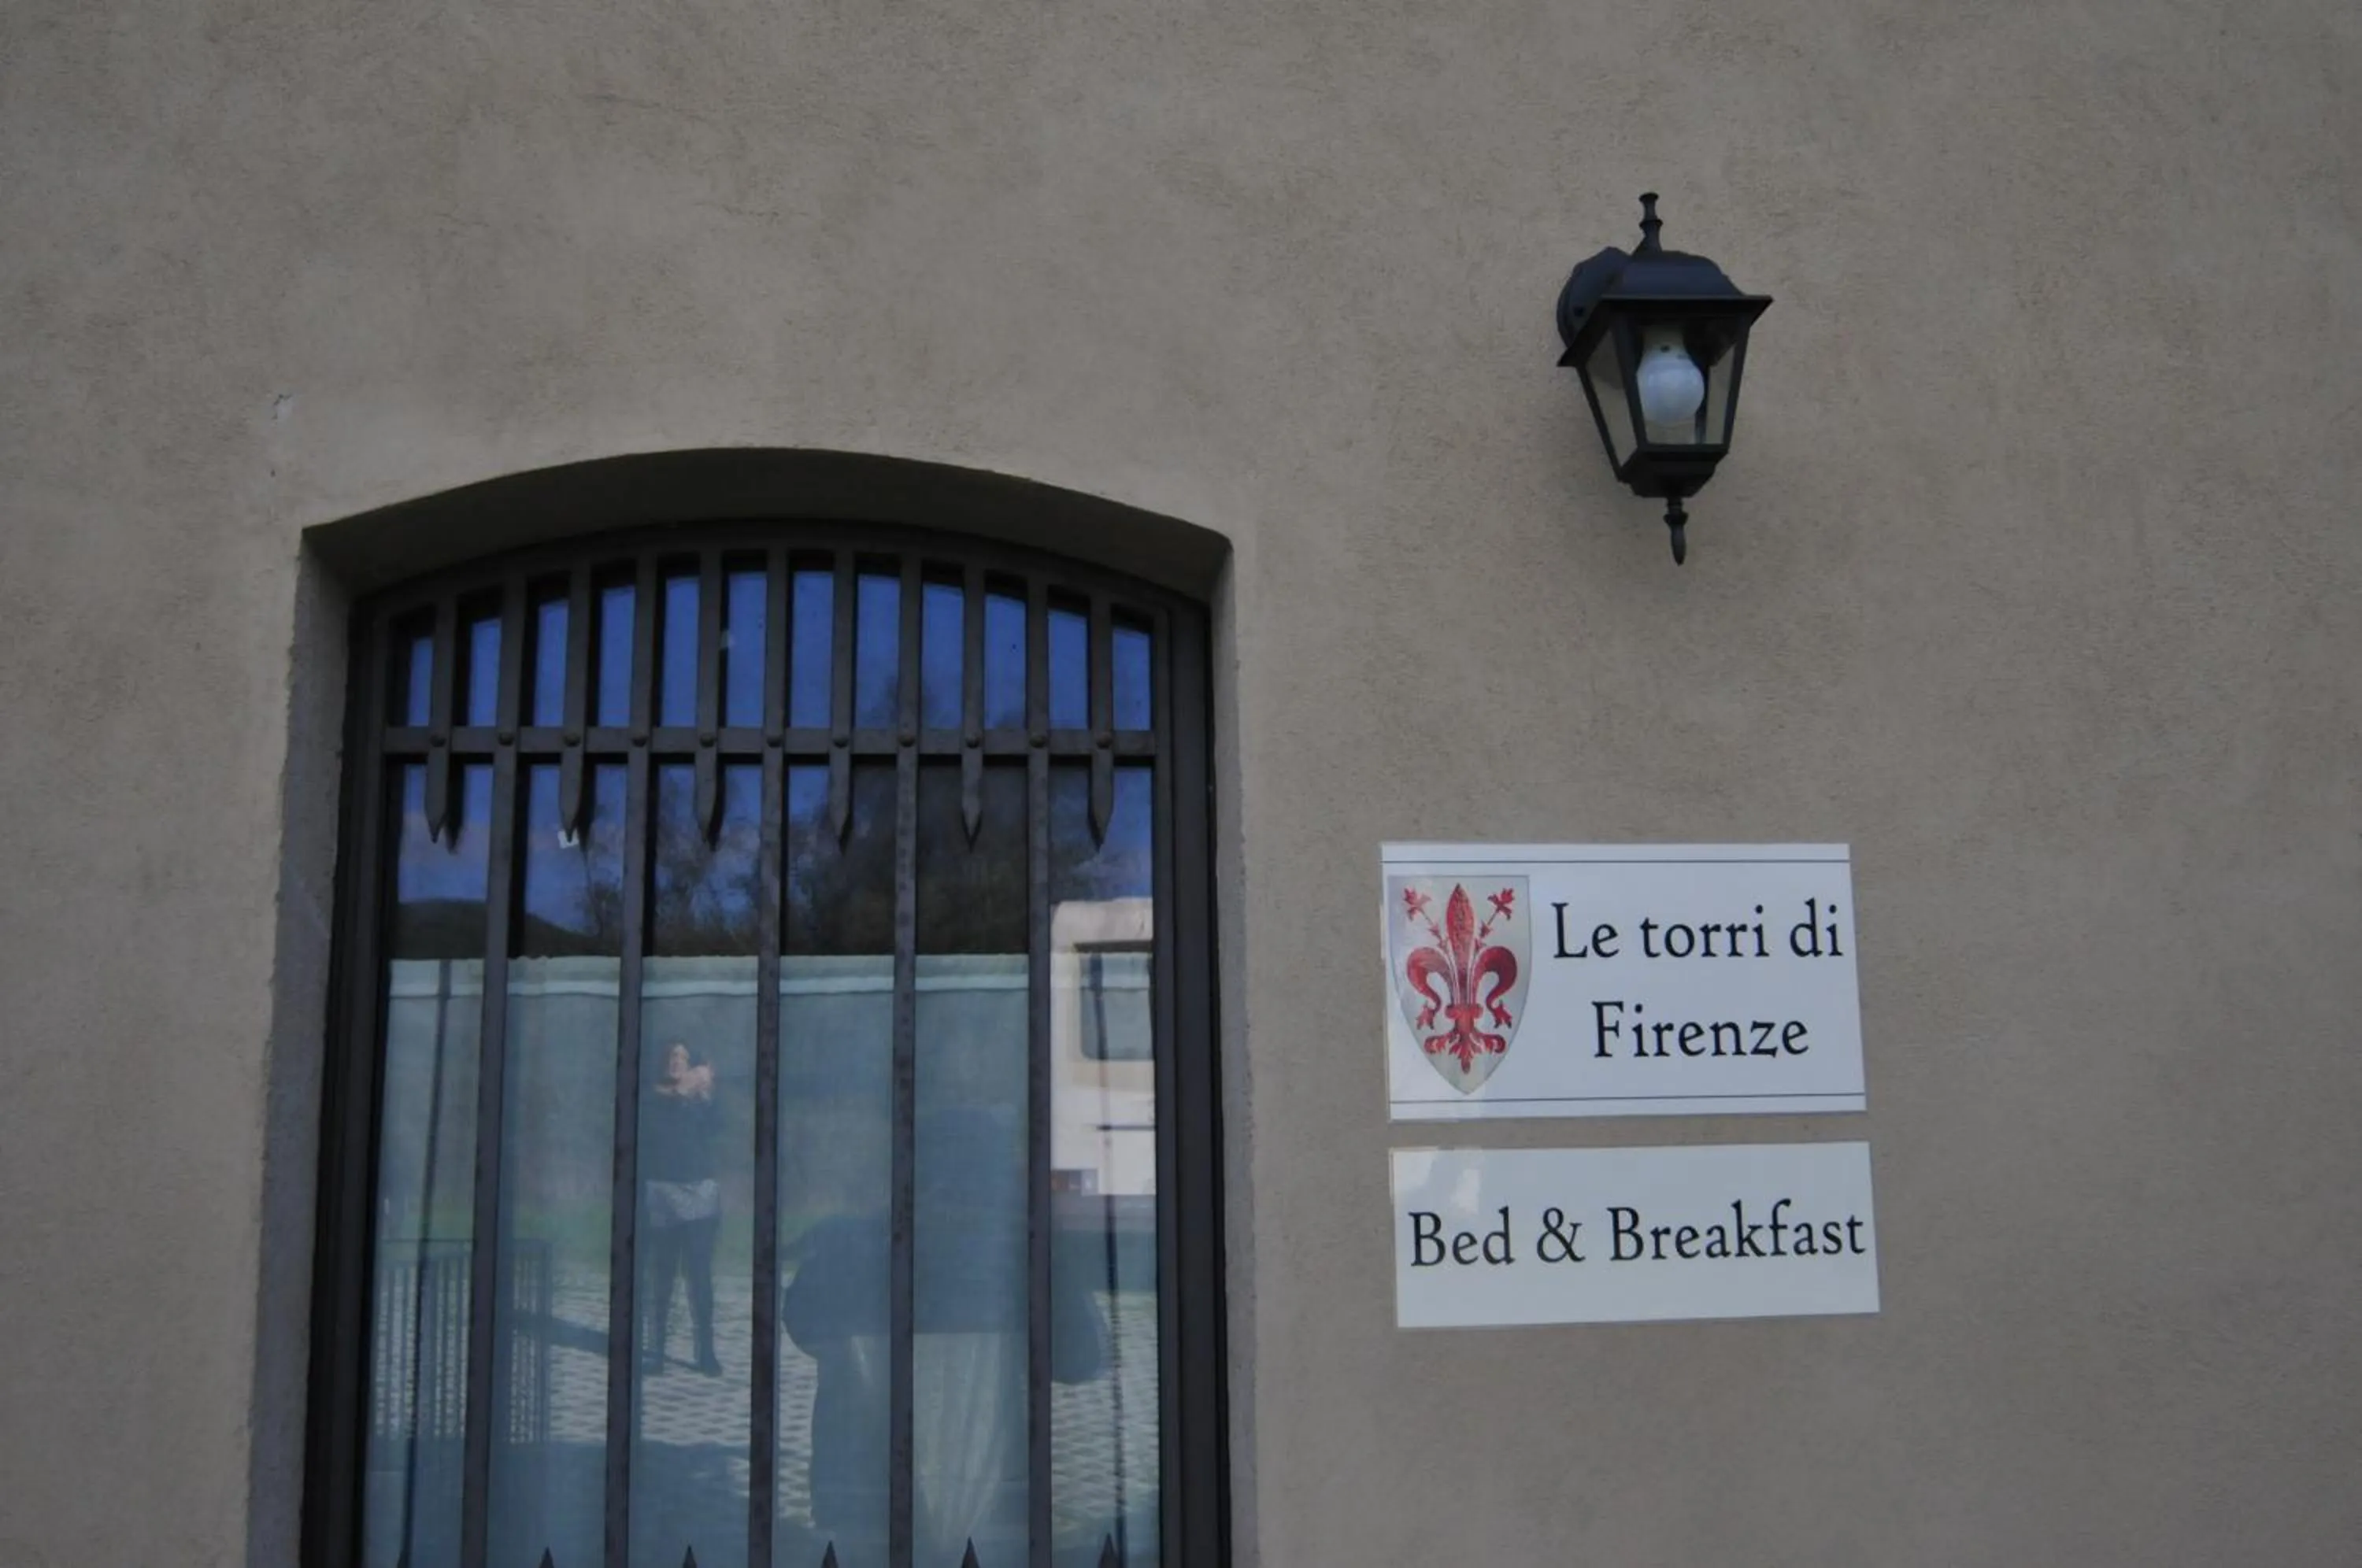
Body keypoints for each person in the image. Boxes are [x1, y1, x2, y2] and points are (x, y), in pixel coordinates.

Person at [642, 1042, 723, 1376]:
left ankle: (706, 1352)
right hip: (663, 1195)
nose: (676, 1062)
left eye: (684, 1058)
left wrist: (705, 1094)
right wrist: (680, 1096)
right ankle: (657, 1351)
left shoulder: (699, 1102)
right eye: (672, 1056)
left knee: (700, 1277)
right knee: (662, 1277)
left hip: (700, 1195)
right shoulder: (652, 1099)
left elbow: (718, 1131)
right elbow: (653, 1134)